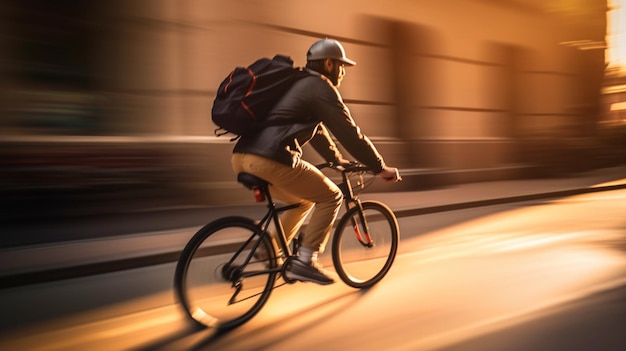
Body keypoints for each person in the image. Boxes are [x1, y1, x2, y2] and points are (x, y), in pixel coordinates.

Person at [231, 38, 401, 285]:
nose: (343, 72)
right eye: (341, 66)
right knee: (332, 196)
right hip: (271, 157)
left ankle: (269, 248)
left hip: (243, 156)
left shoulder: (298, 83)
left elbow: (318, 131)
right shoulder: (320, 87)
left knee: (302, 200)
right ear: (329, 63)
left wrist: (336, 159)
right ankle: (304, 261)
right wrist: (379, 167)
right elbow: (349, 132)